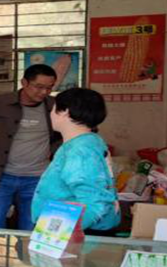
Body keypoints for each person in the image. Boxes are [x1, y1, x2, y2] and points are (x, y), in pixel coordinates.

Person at [0, 64, 62, 230]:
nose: (44, 92)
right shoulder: (0, 102)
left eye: (49, 88)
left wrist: (53, 154)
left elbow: (61, 137)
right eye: (39, 87)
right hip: (1, 176)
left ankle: (24, 249)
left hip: (37, 178)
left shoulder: (54, 106)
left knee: (30, 227)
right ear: (24, 82)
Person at [31, 87, 120, 232]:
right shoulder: (86, 142)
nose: (50, 113)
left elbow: (94, 202)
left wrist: (52, 235)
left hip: (73, 233)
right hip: (67, 227)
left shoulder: (80, 149)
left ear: (65, 111)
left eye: (53, 109)